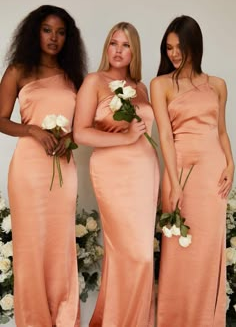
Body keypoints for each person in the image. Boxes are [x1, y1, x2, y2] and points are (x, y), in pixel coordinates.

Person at [0, 5, 87, 327]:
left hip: (63, 169)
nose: (54, 38)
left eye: (61, 32)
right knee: (31, 246)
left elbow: (84, 124)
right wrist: (32, 130)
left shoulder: (74, 76)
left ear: (69, 38)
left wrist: (71, 137)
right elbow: (0, 118)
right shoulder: (19, 69)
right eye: (47, 30)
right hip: (28, 169)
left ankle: (64, 319)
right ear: (35, 31)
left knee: (59, 244)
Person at [73, 21, 159, 327]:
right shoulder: (94, 81)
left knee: (141, 254)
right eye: (113, 43)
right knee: (128, 253)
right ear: (106, 47)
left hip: (145, 171)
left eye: (125, 45)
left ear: (134, 50)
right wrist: (125, 137)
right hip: (112, 173)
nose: (118, 50)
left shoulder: (143, 87)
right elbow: (80, 133)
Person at [150, 15, 234, 327]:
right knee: (179, 250)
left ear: (194, 46)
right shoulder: (160, 85)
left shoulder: (217, 85)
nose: (173, 53)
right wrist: (173, 182)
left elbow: (221, 131)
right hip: (181, 173)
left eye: (179, 47)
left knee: (208, 249)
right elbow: (166, 138)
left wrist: (231, 163)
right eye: (168, 47)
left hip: (212, 175)